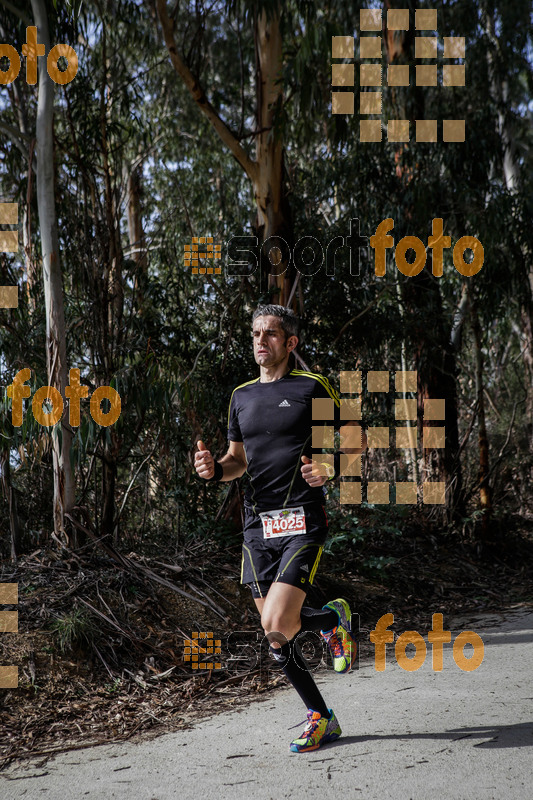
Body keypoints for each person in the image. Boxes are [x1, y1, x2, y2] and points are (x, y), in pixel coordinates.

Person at [194, 304, 359, 753]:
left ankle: (330, 623)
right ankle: (322, 711)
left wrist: (330, 467)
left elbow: (356, 438)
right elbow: (237, 463)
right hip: (256, 525)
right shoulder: (241, 396)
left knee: (279, 621)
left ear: (290, 343)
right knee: (275, 632)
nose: (260, 340)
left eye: (270, 333)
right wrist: (213, 471)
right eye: (255, 333)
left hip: (303, 518)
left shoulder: (312, 387)